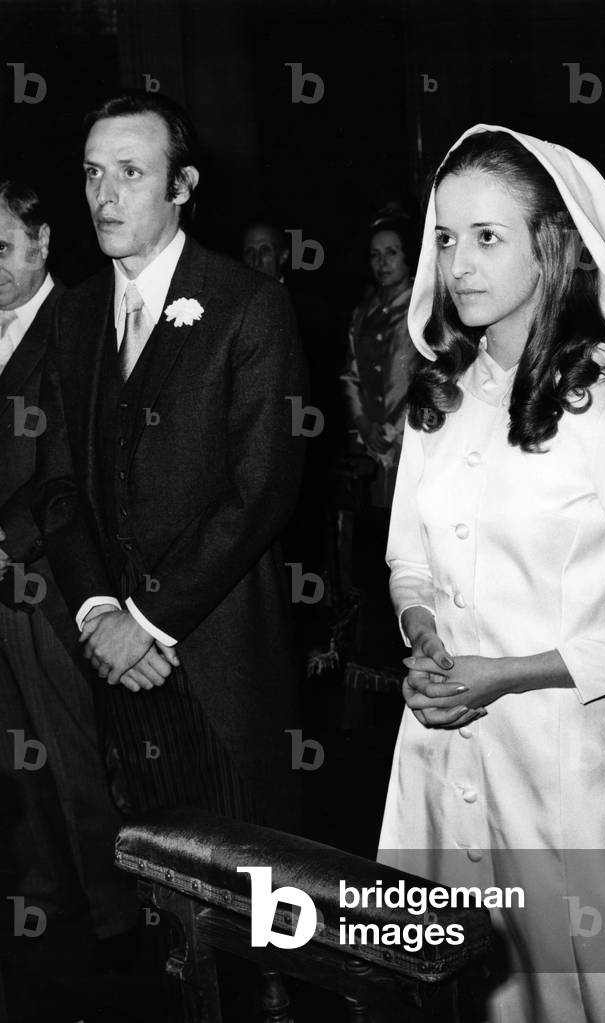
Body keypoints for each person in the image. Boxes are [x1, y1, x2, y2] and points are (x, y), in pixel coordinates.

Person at [378, 126, 605, 1022]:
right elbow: (407, 559)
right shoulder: (437, 399)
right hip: (440, 742)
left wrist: (504, 673)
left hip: (560, 762)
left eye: (486, 237)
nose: (458, 263)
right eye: (445, 237)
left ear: (549, 248)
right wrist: (422, 636)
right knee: (448, 976)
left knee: (562, 982)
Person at [33, 92, 306, 830]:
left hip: (218, 663)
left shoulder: (248, 306)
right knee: (154, 875)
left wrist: (147, 622)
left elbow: (261, 490)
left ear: (182, 186)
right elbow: (57, 486)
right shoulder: (73, 314)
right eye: (93, 173)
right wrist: (100, 614)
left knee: (251, 878)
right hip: (114, 671)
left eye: (130, 172)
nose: (105, 195)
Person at [0, 180, 135, 950]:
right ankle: (45, 899)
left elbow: (74, 464)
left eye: (2, 248)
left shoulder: (82, 320)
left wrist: (8, 536)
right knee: (15, 754)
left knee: (76, 754)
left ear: (42, 241)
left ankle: (116, 920)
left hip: (50, 577)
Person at [341, 216, 420, 509]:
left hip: (413, 438)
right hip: (368, 445)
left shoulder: (425, 308)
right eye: (375, 255)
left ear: (407, 256)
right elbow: (350, 375)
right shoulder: (363, 312)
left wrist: (392, 430)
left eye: (391, 252)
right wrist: (363, 424)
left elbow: (434, 377)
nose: (382, 263)